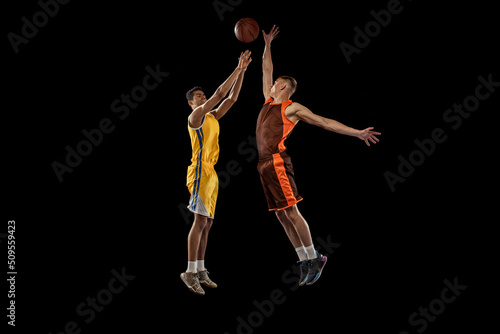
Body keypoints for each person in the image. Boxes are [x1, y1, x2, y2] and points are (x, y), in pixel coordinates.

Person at [257, 26, 380, 286]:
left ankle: (315, 257)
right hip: (263, 165)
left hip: (277, 162)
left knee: (291, 211)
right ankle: (303, 259)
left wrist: (356, 132)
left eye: (275, 81)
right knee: (281, 215)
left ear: (282, 86)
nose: (270, 82)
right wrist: (267, 45)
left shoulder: (293, 108)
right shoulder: (269, 101)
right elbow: (265, 68)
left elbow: (324, 121)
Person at [181, 50, 252, 295]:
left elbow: (230, 99)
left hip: (211, 173)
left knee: (208, 223)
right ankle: (189, 272)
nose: (203, 98)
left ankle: (200, 269)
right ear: (191, 102)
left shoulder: (211, 116)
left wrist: (242, 72)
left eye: (203, 95)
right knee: (199, 221)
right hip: (200, 170)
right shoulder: (196, 116)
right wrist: (237, 66)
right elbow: (220, 93)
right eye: (198, 96)